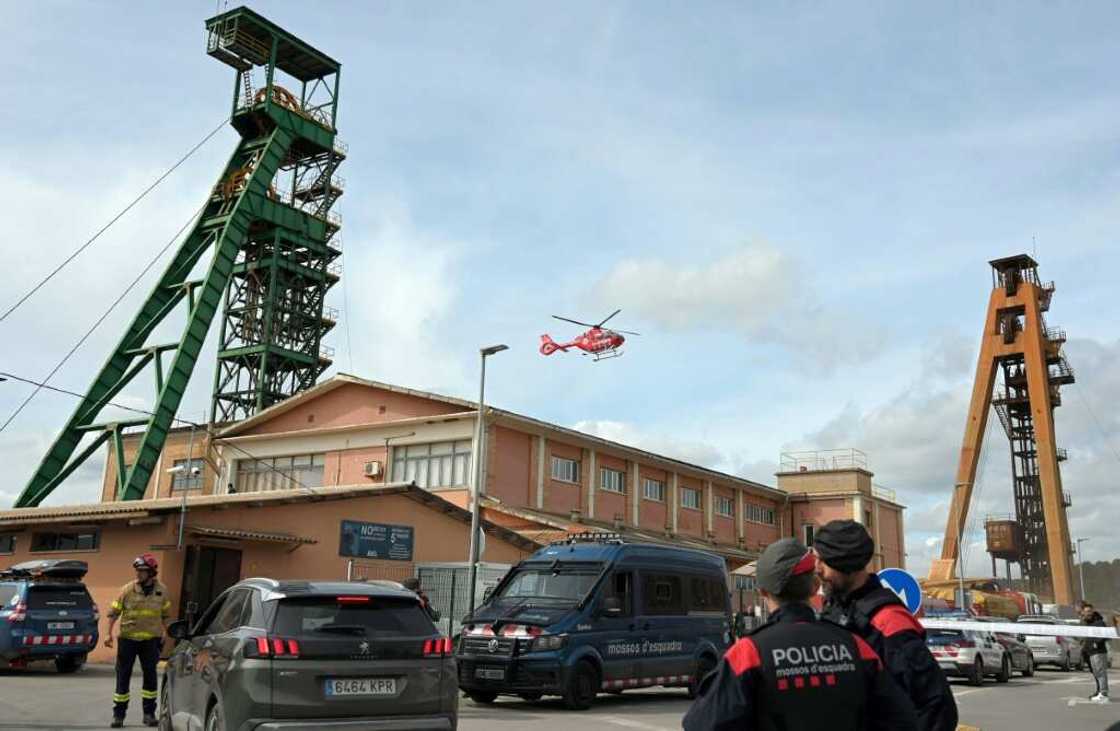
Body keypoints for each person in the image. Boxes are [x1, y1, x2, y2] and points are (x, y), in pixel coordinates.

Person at [683, 538, 918, 731]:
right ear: (815, 586)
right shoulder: (855, 645)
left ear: (763, 591)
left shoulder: (749, 653)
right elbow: (902, 719)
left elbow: (700, 725)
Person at [814, 520, 958, 731]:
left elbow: (936, 706)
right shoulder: (834, 608)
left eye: (823, 562)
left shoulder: (889, 622)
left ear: (846, 565)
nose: (817, 570)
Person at [104, 553, 172, 728]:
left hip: (151, 641)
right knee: (123, 676)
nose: (138, 574)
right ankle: (118, 716)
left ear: (151, 572)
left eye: (142, 571)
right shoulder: (127, 590)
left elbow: (166, 616)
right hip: (128, 640)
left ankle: (149, 714)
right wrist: (108, 633)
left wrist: (167, 633)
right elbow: (113, 613)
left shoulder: (162, 591)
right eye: (137, 571)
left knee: (150, 677)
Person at [1080, 601, 1110, 703]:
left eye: (1089, 611)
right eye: (1085, 612)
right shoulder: (1088, 622)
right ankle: (1100, 692)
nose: (1087, 613)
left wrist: (1096, 643)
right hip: (1091, 652)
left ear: (1092, 611)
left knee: (1101, 672)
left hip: (1099, 652)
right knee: (1097, 672)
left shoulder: (1099, 622)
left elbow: (1105, 636)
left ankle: (1103, 693)